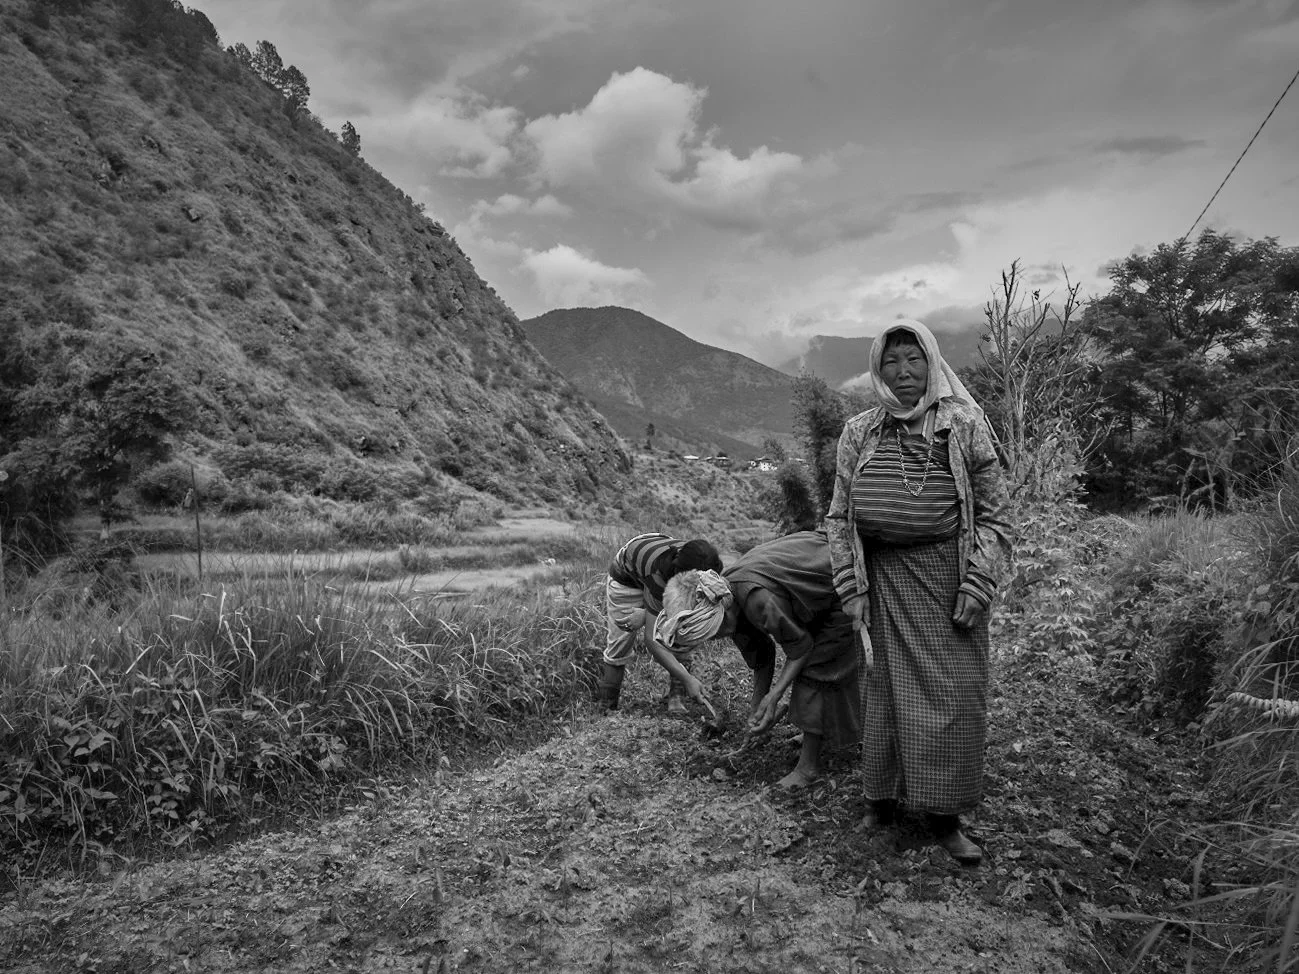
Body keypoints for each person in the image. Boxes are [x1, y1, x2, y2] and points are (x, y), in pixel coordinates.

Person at [825, 319, 1012, 866]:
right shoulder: (861, 431)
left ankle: (944, 817)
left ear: (933, 363)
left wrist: (979, 581)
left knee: (953, 697)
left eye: (914, 359)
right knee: (885, 693)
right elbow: (838, 516)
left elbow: (997, 516)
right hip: (882, 581)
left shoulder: (964, 426)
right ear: (877, 369)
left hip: (947, 581)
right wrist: (850, 585)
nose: (903, 371)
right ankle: (880, 802)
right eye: (891, 360)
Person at [655, 529, 861, 789]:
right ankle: (816, 733)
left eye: (713, 633)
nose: (716, 638)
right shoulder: (723, 597)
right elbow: (763, 655)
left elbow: (801, 648)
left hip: (841, 582)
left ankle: (807, 768)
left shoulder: (757, 600)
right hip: (815, 586)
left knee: (816, 671)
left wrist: (774, 697)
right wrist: (757, 706)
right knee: (807, 673)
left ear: (722, 618)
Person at [597, 532, 723, 715]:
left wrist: (647, 615)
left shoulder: (707, 565)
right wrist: (688, 679)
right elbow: (652, 641)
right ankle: (607, 707)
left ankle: (676, 699)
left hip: (656, 557)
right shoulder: (659, 575)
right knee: (620, 641)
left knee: (682, 628)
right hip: (627, 578)